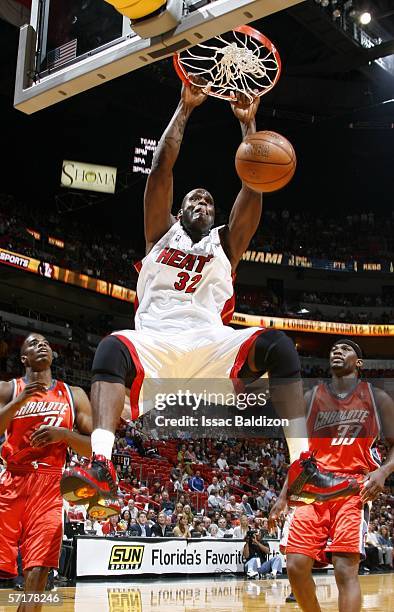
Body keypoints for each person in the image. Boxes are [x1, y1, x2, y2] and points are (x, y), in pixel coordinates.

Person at [61, 78, 354, 508]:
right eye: (195, 200)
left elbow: (253, 186)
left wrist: (248, 127)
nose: (203, 204)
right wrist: (185, 107)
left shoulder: (226, 245)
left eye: (210, 203)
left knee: (279, 345)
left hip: (212, 345)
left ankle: (302, 466)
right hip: (157, 344)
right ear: (179, 211)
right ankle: (102, 465)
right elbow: (161, 169)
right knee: (110, 349)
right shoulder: (160, 235)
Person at [269, 339, 394, 612]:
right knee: (295, 565)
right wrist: (282, 496)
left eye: (345, 349)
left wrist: (383, 471)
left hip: (353, 489)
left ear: (359, 363)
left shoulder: (377, 397)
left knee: (344, 568)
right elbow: (299, 454)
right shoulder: (310, 397)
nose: (337, 351)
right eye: (334, 349)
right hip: (311, 490)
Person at [0, 333, 92, 605]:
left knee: (39, 568)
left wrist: (65, 435)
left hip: (49, 485)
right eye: (33, 343)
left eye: (46, 343)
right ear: (23, 357)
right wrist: (18, 403)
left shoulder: (73, 394)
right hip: (12, 480)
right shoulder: (8, 389)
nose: (42, 345)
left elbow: (95, 445)